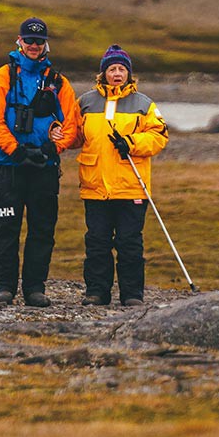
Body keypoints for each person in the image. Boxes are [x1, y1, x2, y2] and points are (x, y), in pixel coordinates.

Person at [0, 16, 80, 307]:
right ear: (19, 42)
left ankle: (35, 289)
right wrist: (16, 150)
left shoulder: (59, 82)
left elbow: (72, 124)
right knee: (6, 228)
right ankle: (5, 288)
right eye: (29, 40)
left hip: (44, 169)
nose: (34, 45)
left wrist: (52, 149)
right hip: (9, 168)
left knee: (42, 230)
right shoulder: (2, 77)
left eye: (39, 41)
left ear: (45, 43)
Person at [73, 45, 169, 307]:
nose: (117, 73)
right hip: (95, 185)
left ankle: (132, 295)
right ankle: (96, 292)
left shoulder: (144, 104)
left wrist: (131, 143)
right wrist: (54, 133)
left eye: (122, 69)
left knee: (129, 244)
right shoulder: (85, 102)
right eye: (112, 69)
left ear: (129, 73)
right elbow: (74, 135)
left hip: (131, 185)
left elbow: (159, 136)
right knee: (97, 243)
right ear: (103, 73)